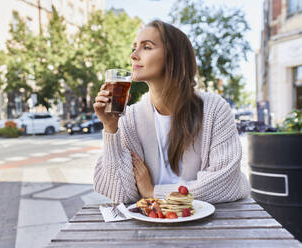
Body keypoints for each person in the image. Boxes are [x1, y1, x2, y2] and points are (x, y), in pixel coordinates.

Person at [93, 20, 250, 204]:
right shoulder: (130, 119)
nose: (133, 55)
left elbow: (223, 184)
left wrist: (153, 192)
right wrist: (110, 128)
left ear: (173, 57)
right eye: (134, 47)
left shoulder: (214, 109)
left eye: (146, 47)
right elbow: (121, 193)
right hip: (153, 224)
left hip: (214, 223)